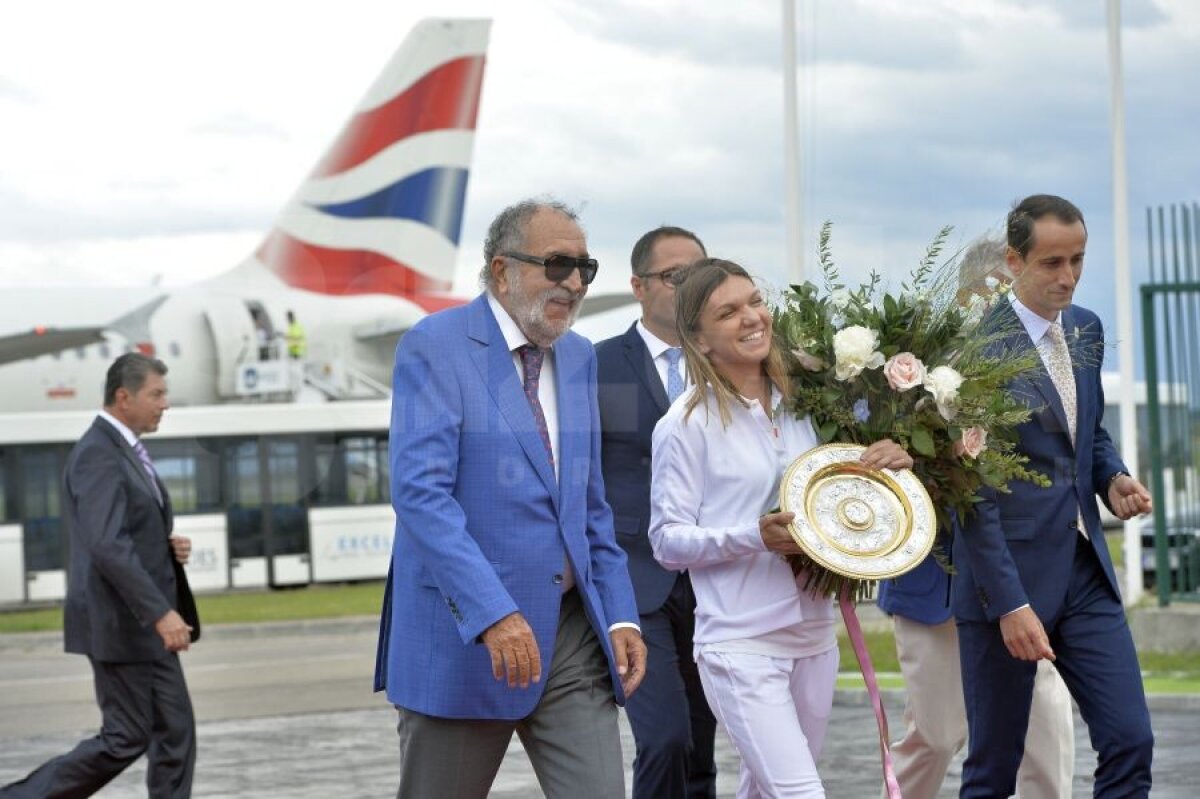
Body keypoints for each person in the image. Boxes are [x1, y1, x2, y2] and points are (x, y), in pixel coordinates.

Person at [374, 198, 647, 799]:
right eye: (556, 265)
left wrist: (621, 610)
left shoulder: (577, 358)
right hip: (467, 638)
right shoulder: (435, 345)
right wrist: (493, 612)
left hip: (573, 638)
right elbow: (421, 496)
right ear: (502, 271)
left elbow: (588, 503)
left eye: (585, 268)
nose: (574, 283)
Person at [649, 258, 913, 798]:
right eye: (728, 312)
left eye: (754, 301)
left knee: (766, 792)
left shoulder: (809, 408)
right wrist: (754, 535)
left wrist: (885, 462)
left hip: (816, 639)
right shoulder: (684, 425)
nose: (751, 318)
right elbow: (666, 541)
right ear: (699, 340)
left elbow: (840, 493)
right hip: (740, 644)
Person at [954, 194, 1155, 798]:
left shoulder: (1087, 327)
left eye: (1078, 260)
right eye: (1051, 263)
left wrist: (1112, 476)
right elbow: (971, 494)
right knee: (994, 768)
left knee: (1130, 740)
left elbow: (1085, 432)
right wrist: (1008, 604)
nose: (1067, 276)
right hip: (1006, 582)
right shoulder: (974, 353)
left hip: (1084, 568)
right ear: (1014, 261)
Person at [876, 236, 1075, 799]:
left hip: (1019, 586)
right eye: (993, 300)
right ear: (967, 297)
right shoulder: (911, 374)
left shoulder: (1045, 370)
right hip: (933, 585)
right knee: (936, 737)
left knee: (1047, 730)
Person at [1, 353, 199, 799]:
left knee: (176, 733)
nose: (165, 404)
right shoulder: (98, 453)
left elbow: (123, 531)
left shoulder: (124, 450)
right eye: (157, 394)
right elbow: (107, 544)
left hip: (145, 627)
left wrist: (166, 547)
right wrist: (160, 613)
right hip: (122, 622)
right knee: (125, 737)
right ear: (123, 397)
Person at [596, 226, 717, 798]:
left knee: (701, 746)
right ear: (638, 287)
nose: (690, 286)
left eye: (700, 272)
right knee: (664, 737)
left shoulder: (730, 365)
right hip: (634, 583)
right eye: (675, 276)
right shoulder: (594, 367)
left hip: (718, 579)